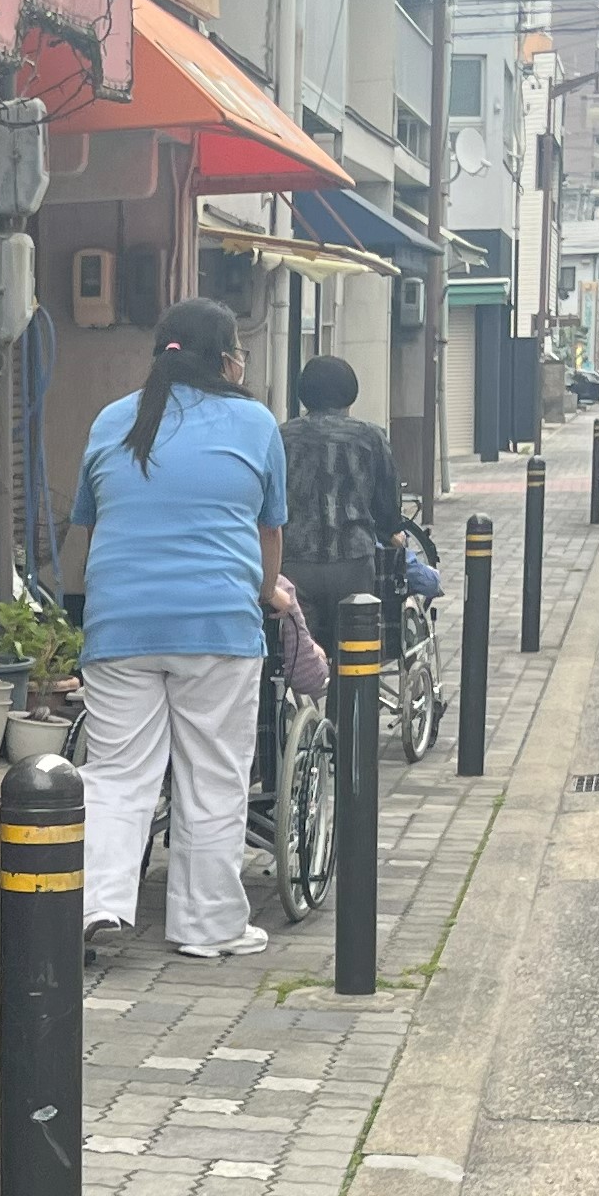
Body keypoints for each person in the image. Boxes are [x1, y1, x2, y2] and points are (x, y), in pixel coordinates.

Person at [70, 298, 295, 964]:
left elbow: (93, 524)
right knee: (213, 777)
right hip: (216, 624)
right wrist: (266, 590)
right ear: (228, 359)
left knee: (115, 773)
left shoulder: (113, 419)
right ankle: (207, 927)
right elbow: (270, 531)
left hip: (118, 624)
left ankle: (98, 904)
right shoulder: (255, 422)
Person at [281, 353, 444, 666]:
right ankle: (351, 697)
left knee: (302, 659)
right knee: (354, 655)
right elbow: (388, 504)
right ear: (350, 392)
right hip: (353, 561)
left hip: (296, 561)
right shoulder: (371, 437)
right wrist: (389, 530)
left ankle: (307, 697)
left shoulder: (282, 437)